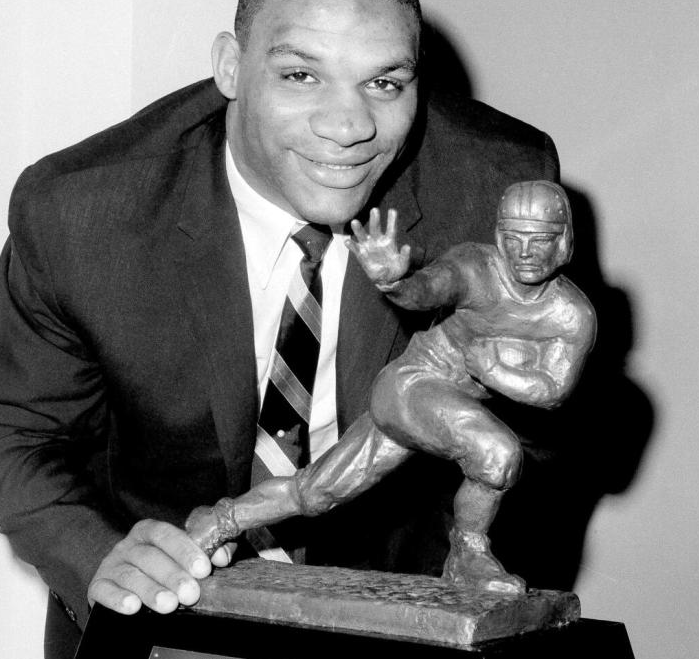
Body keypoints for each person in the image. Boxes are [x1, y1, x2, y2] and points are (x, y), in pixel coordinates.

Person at [0, 0, 559, 659]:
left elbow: (545, 440)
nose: (348, 127)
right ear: (231, 68)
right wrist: (101, 555)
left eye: (385, 83)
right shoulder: (84, 212)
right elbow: (9, 435)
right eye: (302, 75)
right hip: (153, 636)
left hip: (408, 641)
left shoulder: (495, 193)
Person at [186, 181, 596, 593]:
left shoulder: (571, 315)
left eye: (539, 240)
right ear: (498, 237)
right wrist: (396, 283)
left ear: (563, 242)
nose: (523, 253)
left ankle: (223, 520)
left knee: (316, 493)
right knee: (497, 454)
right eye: (513, 238)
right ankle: (468, 554)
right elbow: (434, 286)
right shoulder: (478, 269)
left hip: (439, 411)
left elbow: (553, 391)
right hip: (411, 386)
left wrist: (495, 373)